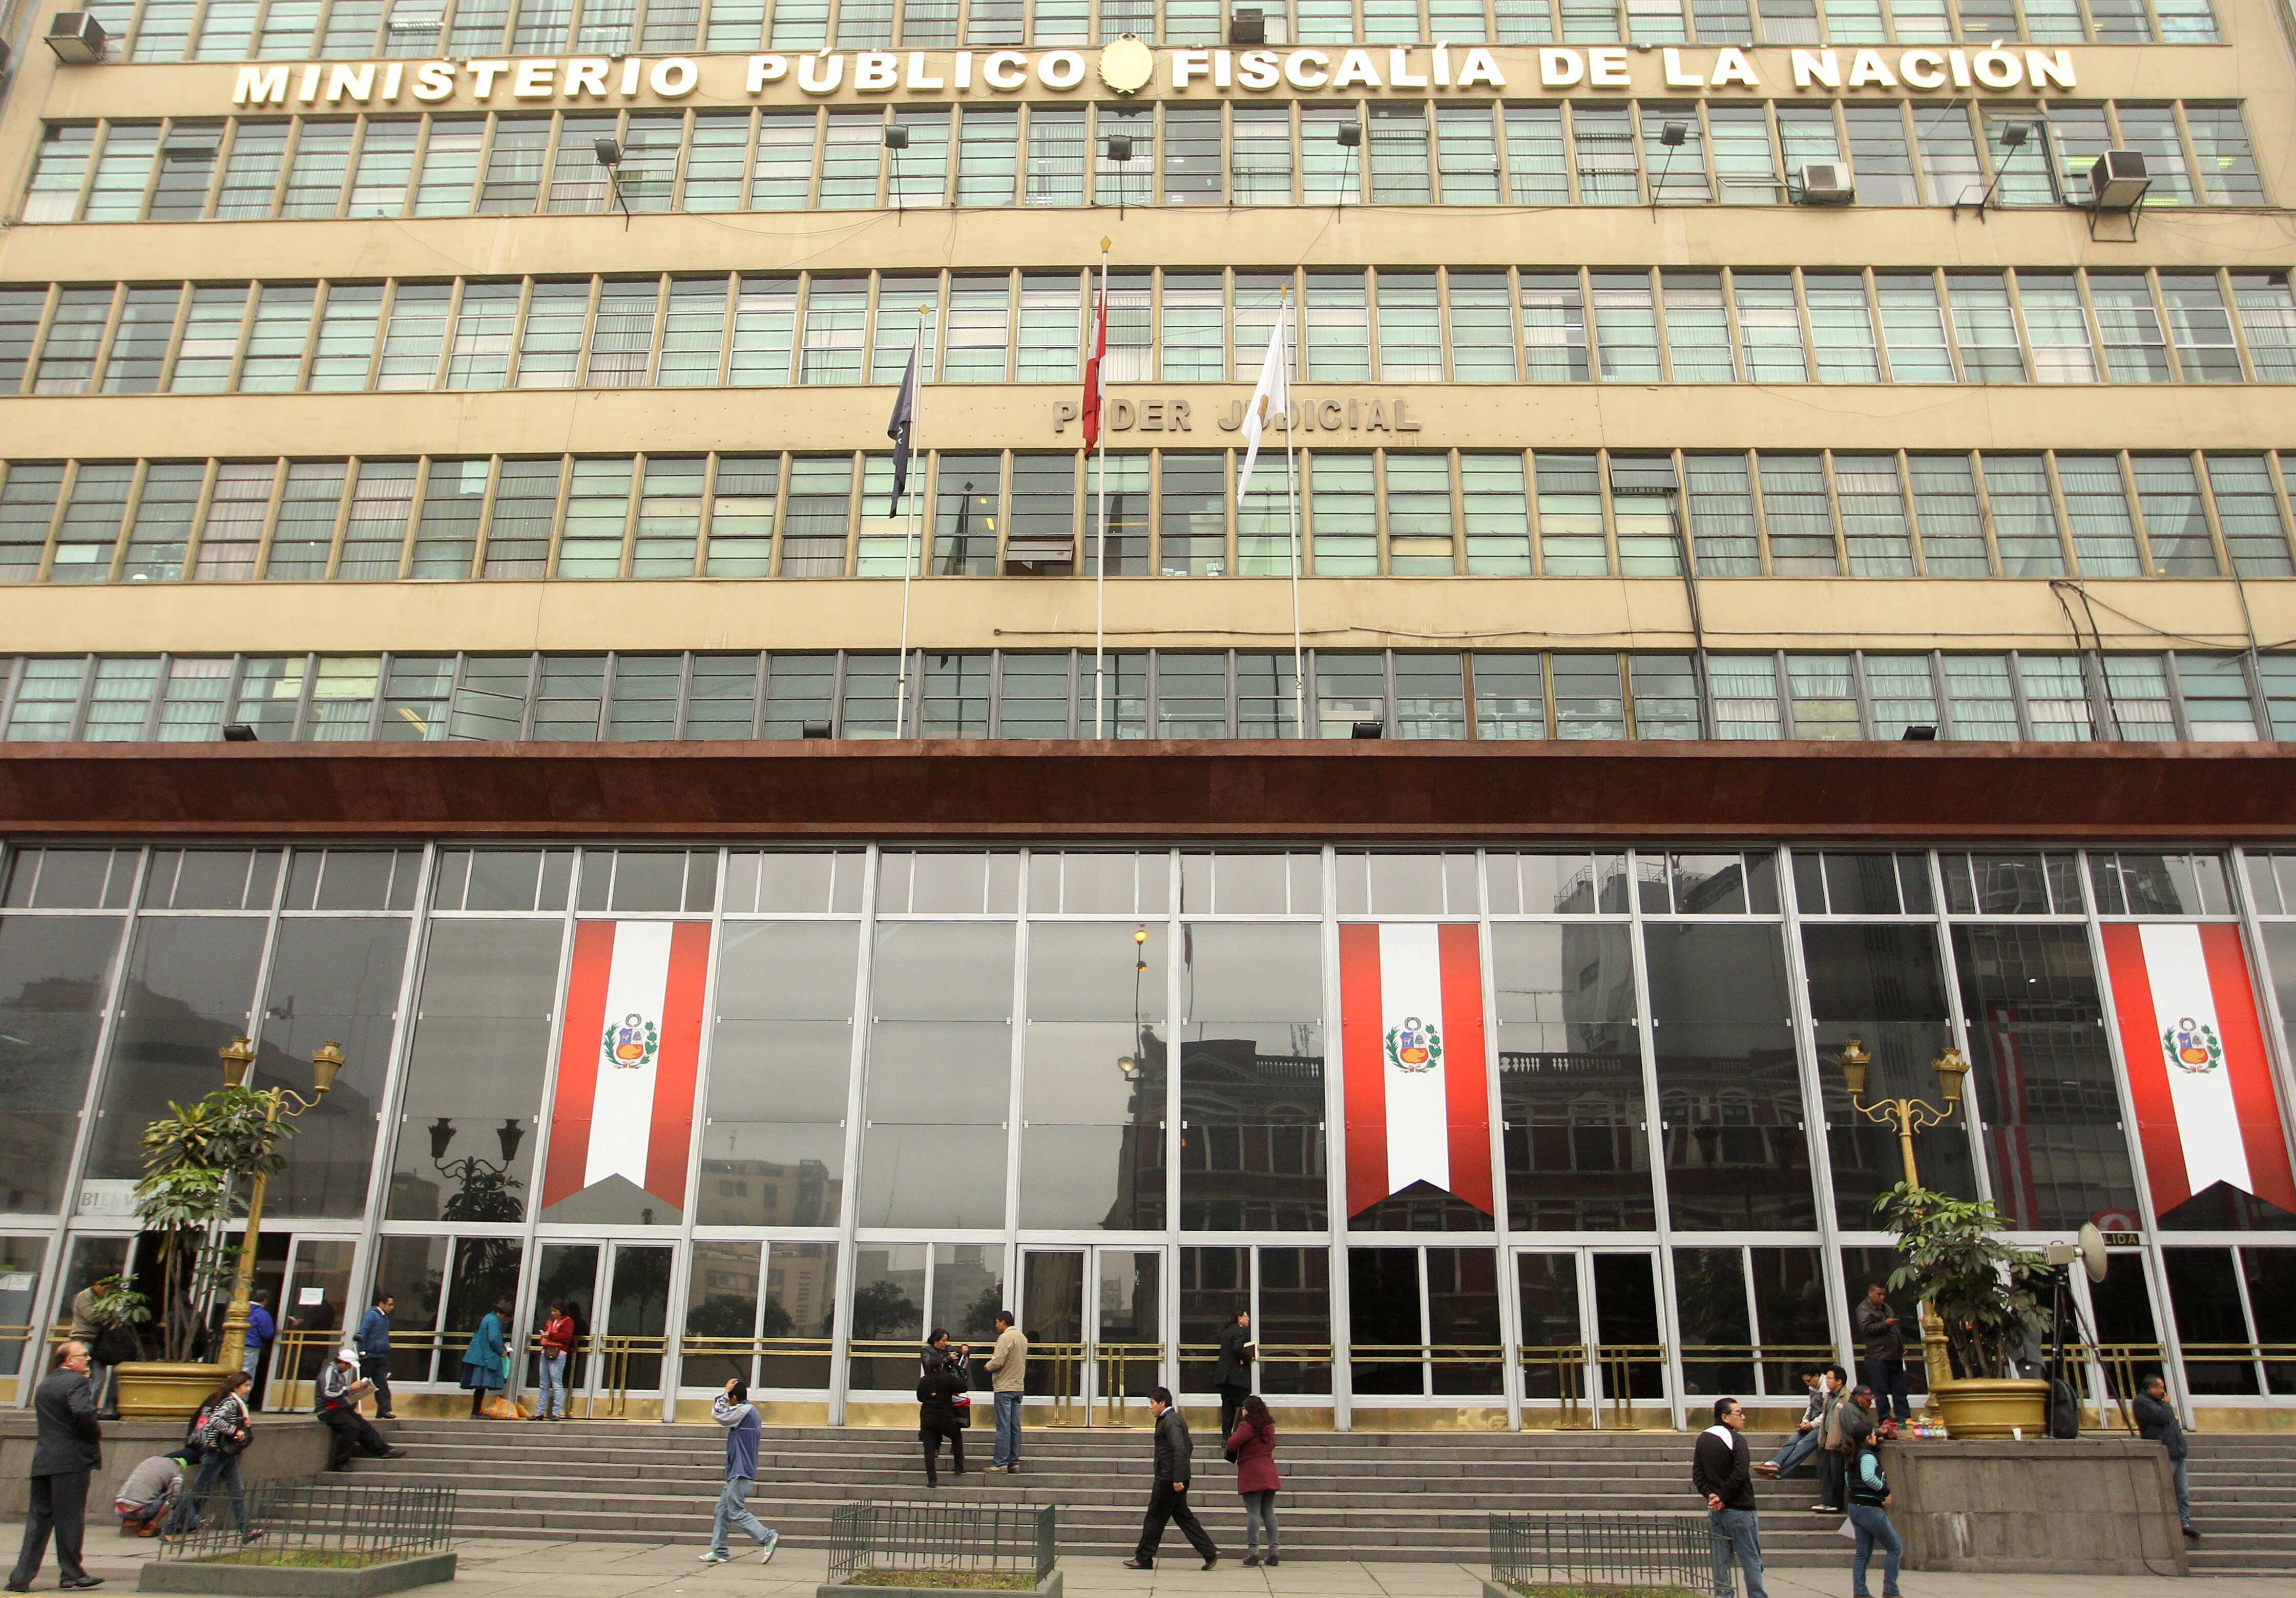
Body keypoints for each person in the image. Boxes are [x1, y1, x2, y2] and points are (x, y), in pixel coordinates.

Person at [7, 1340, 104, 1594]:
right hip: (70, 1460)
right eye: (83, 1355)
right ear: (69, 1361)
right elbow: (83, 1412)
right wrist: (94, 1434)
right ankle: (72, 1574)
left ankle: (21, 1577)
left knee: (38, 1520)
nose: (88, 1360)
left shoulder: (45, 1384)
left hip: (44, 1459)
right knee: (70, 1518)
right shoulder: (77, 1382)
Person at [1123, 1387, 1217, 1572]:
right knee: (1183, 1516)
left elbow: (1181, 1449)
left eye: (1152, 1403)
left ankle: (1144, 1558)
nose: (1150, 1407)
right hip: (1172, 1476)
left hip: (1169, 1479)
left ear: (1162, 1403)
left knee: (1154, 1517)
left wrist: (1177, 1478)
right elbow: (1188, 1447)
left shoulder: (1170, 1421)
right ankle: (1209, 1551)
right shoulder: (1171, 1420)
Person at [164, 1372, 260, 1546]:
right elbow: (215, 1420)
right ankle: (169, 1529)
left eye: (249, 1385)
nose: (248, 1389)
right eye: (245, 1385)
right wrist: (236, 1431)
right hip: (217, 1453)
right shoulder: (231, 1403)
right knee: (197, 1491)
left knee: (238, 1492)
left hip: (227, 1454)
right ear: (236, 1386)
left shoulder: (234, 1403)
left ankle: (246, 1530)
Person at [1692, 1396, 1767, 1598]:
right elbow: (1741, 1473)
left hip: (1716, 1511)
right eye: (1738, 1413)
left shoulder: (1703, 1438)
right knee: (1751, 1559)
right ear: (1725, 1417)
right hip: (1740, 1510)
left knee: (1720, 1561)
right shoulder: (1736, 1440)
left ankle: (1724, 1595)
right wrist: (1723, 1497)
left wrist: (1711, 1496)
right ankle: (1757, 1595)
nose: (1743, 1417)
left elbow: (1698, 1475)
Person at [700, 1378, 779, 1565]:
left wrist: (724, 1392)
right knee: (722, 1511)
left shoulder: (744, 1410)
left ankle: (767, 1537)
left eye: (730, 1399)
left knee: (736, 1512)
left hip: (741, 1471)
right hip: (738, 1470)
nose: (729, 1402)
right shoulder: (747, 1412)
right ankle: (719, 1551)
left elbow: (718, 1414)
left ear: (735, 1398)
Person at [1842, 1390, 1902, 1598]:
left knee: (1863, 1553)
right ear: (1869, 1438)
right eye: (1873, 1436)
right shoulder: (1867, 1455)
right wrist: (1884, 1491)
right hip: (1870, 1508)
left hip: (1855, 1507)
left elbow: (1849, 1480)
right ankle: (1891, 1590)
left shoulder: (1852, 1455)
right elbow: (1868, 1477)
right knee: (1895, 1548)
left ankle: (1860, 1591)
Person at [315, 1347, 405, 1471]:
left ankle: (384, 1450)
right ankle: (340, 1462)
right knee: (353, 1427)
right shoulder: (329, 1372)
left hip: (339, 1408)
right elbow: (329, 1394)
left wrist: (358, 1391)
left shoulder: (338, 1374)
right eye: (349, 1366)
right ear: (342, 1362)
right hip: (328, 1410)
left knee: (362, 1424)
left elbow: (339, 1394)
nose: (349, 1368)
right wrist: (350, 1389)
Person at [2134, 1373, 2200, 1543]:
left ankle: (2184, 1523)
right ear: (2151, 1388)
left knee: (2183, 1492)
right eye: (2160, 1388)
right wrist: (2167, 1405)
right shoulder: (2143, 1403)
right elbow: (2161, 1418)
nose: (2163, 1391)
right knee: (2163, 1490)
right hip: (2165, 1453)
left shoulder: (2161, 1405)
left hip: (2176, 1452)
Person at [1226, 1393, 1281, 1569]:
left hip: (1252, 1472)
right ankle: (1274, 1551)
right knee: (1269, 1511)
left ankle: (1253, 1551)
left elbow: (1232, 1444)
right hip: (1269, 1471)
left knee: (1253, 1512)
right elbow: (1272, 1445)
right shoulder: (1269, 1427)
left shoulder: (1247, 1426)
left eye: (1244, 1408)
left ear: (1248, 1410)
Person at [916, 1330, 969, 1488]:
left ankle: (932, 1480)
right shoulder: (947, 1378)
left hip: (927, 1419)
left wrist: (963, 1349)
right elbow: (964, 1387)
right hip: (945, 1417)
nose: (946, 1343)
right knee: (957, 1436)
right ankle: (959, 1466)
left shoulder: (923, 1381)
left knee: (928, 1449)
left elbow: (920, 1397)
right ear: (941, 1365)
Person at [1852, 1285, 1911, 1426]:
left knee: (1900, 1390)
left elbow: (1895, 1329)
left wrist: (1900, 1346)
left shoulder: (1886, 1307)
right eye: (1879, 1294)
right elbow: (1866, 1328)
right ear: (1870, 1294)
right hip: (1877, 1356)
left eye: (1884, 1294)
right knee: (1881, 1391)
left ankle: (1904, 1418)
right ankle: (1885, 1419)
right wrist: (1886, 1324)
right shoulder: (1864, 1309)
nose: (1882, 1297)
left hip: (1894, 1355)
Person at [1754, 1368, 1825, 1481]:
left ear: (1817, 1376)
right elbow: (1811, 1406)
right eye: (1805, 1381)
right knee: (1793, 1440)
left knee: (1803, 1444)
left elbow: (1827, 1413)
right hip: (1813, 1422)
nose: (1807, 1384)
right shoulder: (1813, 1387)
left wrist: (1812, 1424)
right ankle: (1775, 1463)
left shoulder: (1826, 1388)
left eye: (1809, 1380)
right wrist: (1805, 1421)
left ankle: (1779, 1472)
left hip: (1822, 1425)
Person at [984, 1309, 1027, 1474]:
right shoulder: (1022, 1337)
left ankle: (1001, 1462)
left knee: (1003, 1427)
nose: (996, 1326)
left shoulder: (1005, 1338)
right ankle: (1014, 1462)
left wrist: (987, 1367)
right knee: (1015, 1426)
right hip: (1018, 1386)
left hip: (1005, 1387)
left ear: (1003, 1322)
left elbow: (998, 1360)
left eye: (997, 1323)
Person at [1815, 1365, 1861, 1514]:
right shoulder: (1828, 1396)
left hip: (1838, 1442)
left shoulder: (1847, 1397)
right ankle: (1826, 1501)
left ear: (1839, 1381)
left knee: (1837, 1475)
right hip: (1826, 1439)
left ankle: (1836, 1503)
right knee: (1825, 1473)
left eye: (1830, 1378)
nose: (1827, 1381)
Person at [461, 1297, 511, 1418]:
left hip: (478, 1356)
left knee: (480, 1386)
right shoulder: (494, 1321)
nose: (505, 1319)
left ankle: (476, 1410)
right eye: (505, 1316)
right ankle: (476, 1411)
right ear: (501, 1313)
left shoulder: (488, 1318)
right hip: (483, 1359)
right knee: (481, 1386)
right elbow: (494, 1338)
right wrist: (502, 1351)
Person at [112, 1454, 184, 1538]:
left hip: (119, 1510)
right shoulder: (177, 1472)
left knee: (150, 1494)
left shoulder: (150, 1461)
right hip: (140, 1511)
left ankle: (133, 1523)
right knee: (173, 1497)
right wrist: (155, 1521)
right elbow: (173, 1499)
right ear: (181, 1467)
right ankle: (151, 1525)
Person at [1214, 1310, 1255, 1445]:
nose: (1248, 1319)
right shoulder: (1241, 1331)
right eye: (1246, 1317)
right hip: (1236, 1378)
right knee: (1247, 1405)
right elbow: (1238, 1349)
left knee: (1228, 1408)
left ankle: (1226, 1438)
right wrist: (1249, 1357)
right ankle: (1243, 1435)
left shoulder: (1227, 1332)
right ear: (1239, 1319)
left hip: (1224, 1378)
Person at [355, 1294, 396, 1420]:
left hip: (381, 1355)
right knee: (362, 1383)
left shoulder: (385, 1318)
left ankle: (384, 1410)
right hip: (370, 1355)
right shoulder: (372, 1315)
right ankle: (348, 1407)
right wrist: (363, 1352)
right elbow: (363, 1331)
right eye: (389, 1304)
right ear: (381, 1304)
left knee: (382, 1384)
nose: (391, 1307)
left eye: (392, 1305)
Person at [536, 1301, 577, 1421]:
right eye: (552, 1311)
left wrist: (551, 1335)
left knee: (557, 1384)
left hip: (559, 1353)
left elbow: (566, 1337)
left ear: (561, 1311)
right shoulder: (550, 1321)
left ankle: (556, 1412)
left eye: (555, 1311)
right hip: (546, 1352)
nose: (553, 1313)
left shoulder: (568, 1321)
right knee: (544, 1384)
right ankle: (539, 1412)